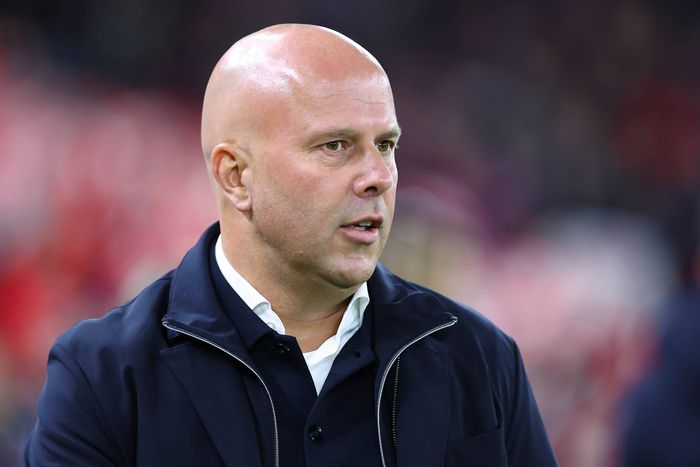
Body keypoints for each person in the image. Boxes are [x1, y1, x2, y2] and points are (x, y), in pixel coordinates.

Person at [23, 24, 557, 466]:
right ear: (235, 177)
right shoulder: (103, 375)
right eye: (335, 145)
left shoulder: (482, 358)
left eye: (386, 145)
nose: (379, 176)